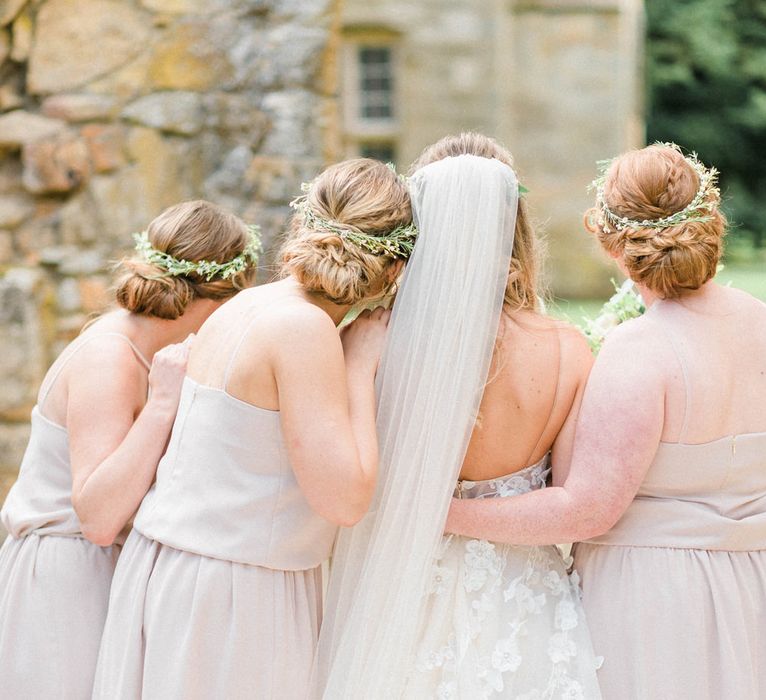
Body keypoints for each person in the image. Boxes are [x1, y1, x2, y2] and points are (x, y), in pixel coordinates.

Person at [445, 143, 766, 699]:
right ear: (711, 224)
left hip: (659, 602)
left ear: (613, 244)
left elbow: (584, 511)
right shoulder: (761, 323)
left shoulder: (641, 350)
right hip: (753, 585)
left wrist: (438, 514)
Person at [91, 158, 416, 700]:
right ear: (396, 267)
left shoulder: (250, 304)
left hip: (179, 566)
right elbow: (344, 501)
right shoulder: (303, 328)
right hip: (234, 592)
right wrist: (359, 367)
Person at [314, 133, 602, 699]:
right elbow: (570, 501)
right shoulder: (569, 348)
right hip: (522, 600)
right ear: (515, 229)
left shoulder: (369, 339)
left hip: (393, 584)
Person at [0, 199, 259, 699]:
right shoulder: (111, 357)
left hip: (98, 573)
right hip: (65, 580)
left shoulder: (150, 351)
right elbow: (97, 515)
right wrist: (162, 404)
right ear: (219, 298)